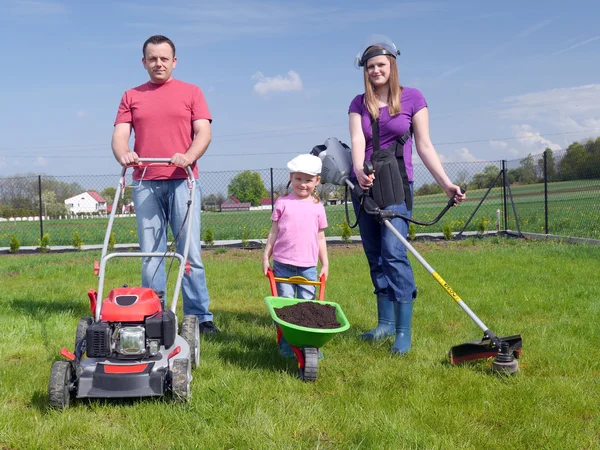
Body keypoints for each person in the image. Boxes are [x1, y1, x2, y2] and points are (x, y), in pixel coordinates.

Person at [348, 35, 465, 354]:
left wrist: (446, 184)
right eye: (370, 66)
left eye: (381, 65)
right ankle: (384, 324)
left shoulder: (413, 98)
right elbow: (358, 140)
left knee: (394, 253)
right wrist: (359, 170)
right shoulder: (359, 103)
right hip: (367, 185)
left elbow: (425, 145)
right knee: (374, 254)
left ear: (392, 65)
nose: (376, 70)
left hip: (398, 184)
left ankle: (403, 331)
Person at [111, 35, 219, 335]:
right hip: (145, 183)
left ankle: (200, 317)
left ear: (174, 61)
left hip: (183, 182)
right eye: (152, 58)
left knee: (189, 252)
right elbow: (120, 136)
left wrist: (188, 156)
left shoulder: (191, 92)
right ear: (143, 62)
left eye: (164, 58)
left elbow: (203, 133)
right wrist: (125, 155)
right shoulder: (131, 95)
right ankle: (153, 314)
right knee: (151, 254)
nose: (158, 63)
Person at [262, 154, 329, 356]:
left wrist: (325, 263)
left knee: (308, 307)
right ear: (291, 177)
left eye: (308, 180)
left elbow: (320, 238)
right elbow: (274, 232)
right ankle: (287, 343)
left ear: (317, 181)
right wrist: (266, 256)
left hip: (308, 266)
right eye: (298, 179)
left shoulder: (318, 207)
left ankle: (309, 344)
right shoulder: (283, 203)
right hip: (283, 264)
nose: (303, 184)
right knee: (286, 305)